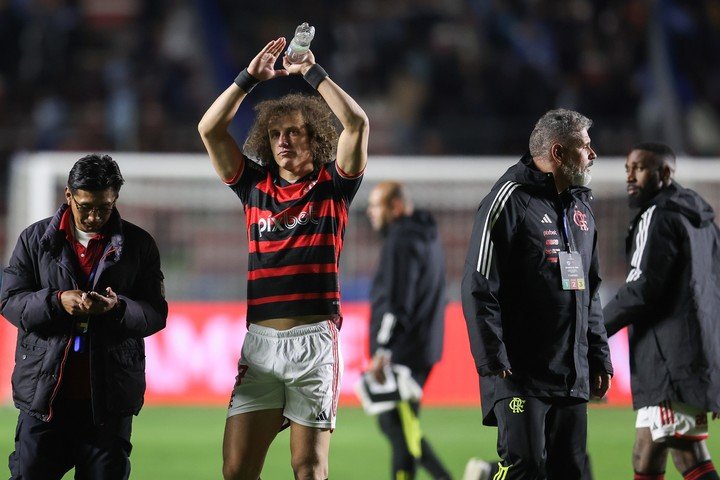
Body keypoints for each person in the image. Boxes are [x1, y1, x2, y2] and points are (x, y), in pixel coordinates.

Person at [198, 36, 369, 480]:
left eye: (293, 132)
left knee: (307, 469)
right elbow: (209, 129)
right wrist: (247, 80)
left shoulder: (334, 185)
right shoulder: (253, 187)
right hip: (260, 345)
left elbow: (357, 124)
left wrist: (313, 73)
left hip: (315, 342)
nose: (283, 141)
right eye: (274, 134)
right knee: (236, 470)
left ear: (315, 137)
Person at [460, 108, 613, 479]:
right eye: (585, 147)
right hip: (519, 371)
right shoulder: (509, 199)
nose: (593, 154)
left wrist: (598, 355)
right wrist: (493, 356)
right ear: (559, 153)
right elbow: (478, 284)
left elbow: (588, 291)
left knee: (570, 472)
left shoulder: (581, 208)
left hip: (570, 372)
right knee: (525, 468)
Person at [0, 154, 168, 480]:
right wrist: (57, 300)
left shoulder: (139, 244)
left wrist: (117, 308)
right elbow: (9, 301)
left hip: (107, 403)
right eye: (85, 206)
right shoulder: (34, 240)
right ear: (68, 196)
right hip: (44, 400)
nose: (93, 216)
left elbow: (155, 314)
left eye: (103, 208)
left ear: (115, 199)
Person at [603, 142, 720, 480]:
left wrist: (592, 328)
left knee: (684, 453)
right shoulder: (701, 221)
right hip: (685, 357)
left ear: (664, 173)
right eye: (627, 168)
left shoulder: (658, 215)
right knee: (648, 454)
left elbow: (641, 289)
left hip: (670, 361)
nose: (629, 176)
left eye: (638, 168)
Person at [364, 181, 451, 480]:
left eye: (377, 206)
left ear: (396, 207)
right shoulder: (427, 235)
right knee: (402, 425)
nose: (371, 213)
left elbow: (399, 300)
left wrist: (383, 349)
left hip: (403, 351)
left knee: (397, 427)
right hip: (422, 346)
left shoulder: (402, 240)